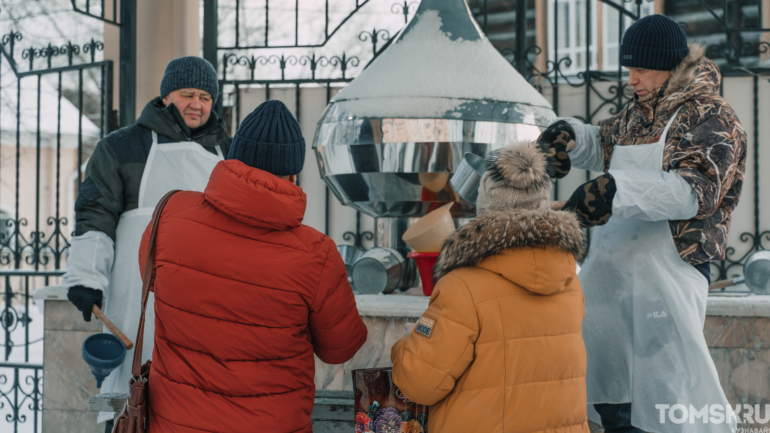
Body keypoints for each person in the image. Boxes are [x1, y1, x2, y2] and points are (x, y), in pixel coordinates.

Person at [541, 15, 746, 433]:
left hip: (666, 276)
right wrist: (571, 138)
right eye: (629, 69)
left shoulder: (713, 115)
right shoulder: (640, 110)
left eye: (641, 69)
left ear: (669, 65)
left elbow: (696, 191)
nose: (631, 79)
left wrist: (618, 191)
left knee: (664, 396)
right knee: (612, 393)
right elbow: (605, 142)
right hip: (609, 278)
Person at [138, 100, 368, 432]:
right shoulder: (316, 254)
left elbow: (155, 282)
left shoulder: (170, 215)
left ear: (233, 159)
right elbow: (340, 348)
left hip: (175, 423)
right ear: (292, 173)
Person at [60, 56, 231, 430]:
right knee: (132, 401)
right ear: (166, 95)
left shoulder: (229, 156)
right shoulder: (121, 148)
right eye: (188, 94)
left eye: (205, 97)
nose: (197, 104)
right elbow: (95, 214)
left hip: (206, 303)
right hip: (136, 300)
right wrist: (87, 277)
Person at [391, 141, 589, 433]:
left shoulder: (462, 287)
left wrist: (408, 344)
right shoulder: (569, 282)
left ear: (485, 209)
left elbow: (420, 383)